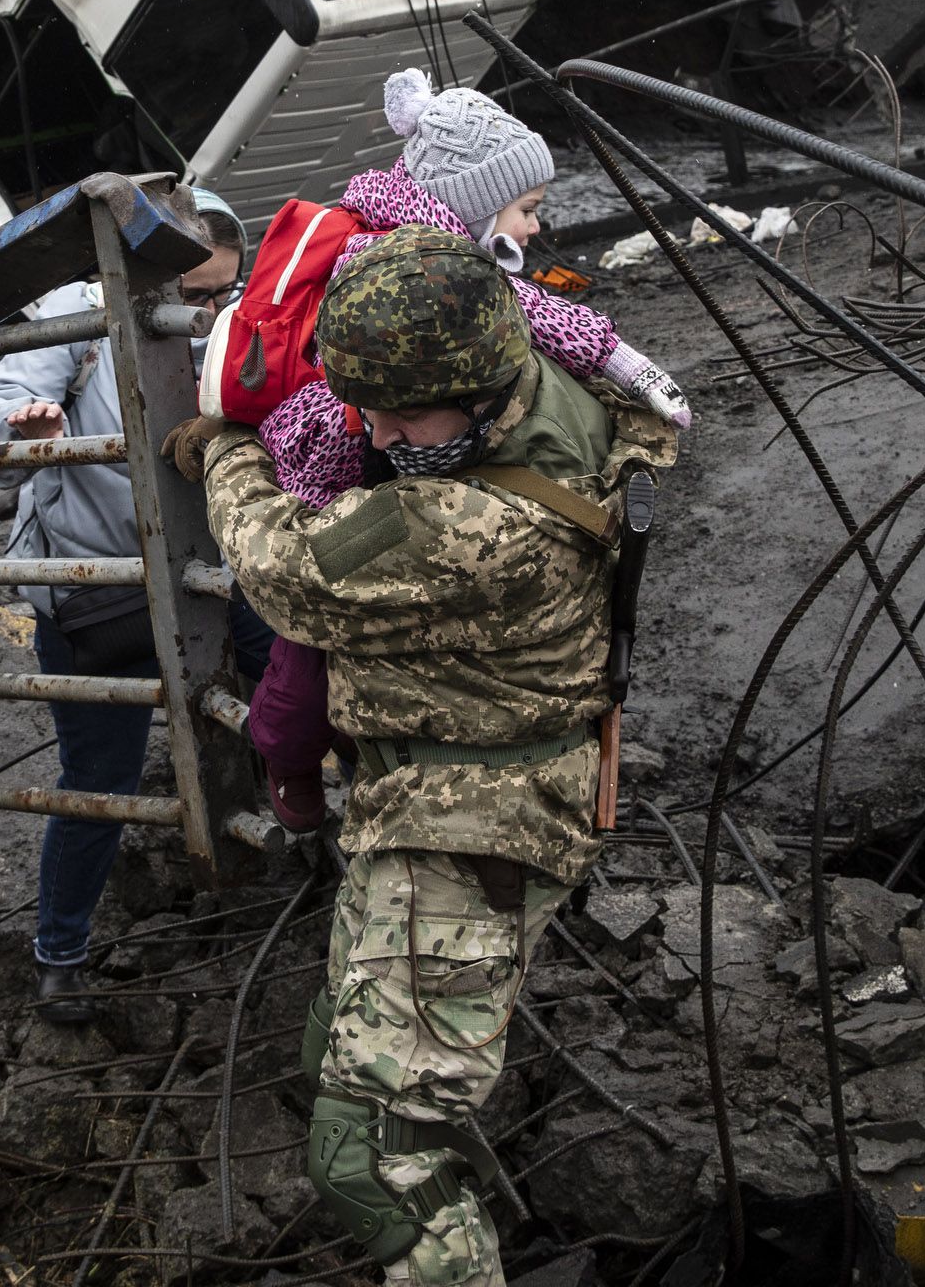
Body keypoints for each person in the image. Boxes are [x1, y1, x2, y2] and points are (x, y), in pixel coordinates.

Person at [182, 228, 678, 1287]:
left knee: (372, 1157)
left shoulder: (478, 522)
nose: (384, 434)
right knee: (343, 1055)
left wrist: (228, 443)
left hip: (470, 830)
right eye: (372, 409)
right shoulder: (551, 386)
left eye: (409, 416)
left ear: (486, 387)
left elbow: (286, 569)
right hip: (434, 803)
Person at [246, 66, 690, 832]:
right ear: (475, 206)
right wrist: (621, 361)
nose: (537, 228)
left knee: (330, 629)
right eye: (526, 210)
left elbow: (528, 309)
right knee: (307, 636)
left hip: (391, 470)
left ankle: (326, 757)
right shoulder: (410, 273)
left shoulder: (451, 269)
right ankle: (292, 763)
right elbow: (285, 566)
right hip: (343, 465)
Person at [0, 187, 275, 1023]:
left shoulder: (235, 324)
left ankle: (308, 839)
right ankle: (59, 954)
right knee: (98, 776)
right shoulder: (78, 314)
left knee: (294, 686)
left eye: (220, 296)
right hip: (99, 589)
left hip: (214, 574)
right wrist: (23, 429)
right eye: (190, 297)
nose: (203, 316)